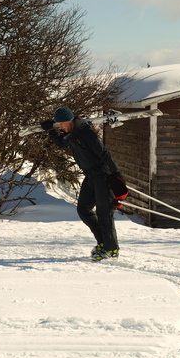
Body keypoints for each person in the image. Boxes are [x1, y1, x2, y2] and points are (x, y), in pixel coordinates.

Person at [42, 107, 122, 261]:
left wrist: (116, 175)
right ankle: (103, 243)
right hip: (90, 176)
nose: (61, 128)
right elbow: (61, 143)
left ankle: (112, 250)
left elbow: (104, 154)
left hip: (102, 176)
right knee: (83, 209)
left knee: (104, 214)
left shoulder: (86, 133)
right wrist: (52, 131)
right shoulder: (71, 134)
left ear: (70, 121)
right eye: (59, 125)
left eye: (62, 124)